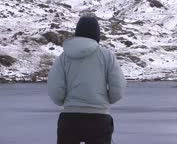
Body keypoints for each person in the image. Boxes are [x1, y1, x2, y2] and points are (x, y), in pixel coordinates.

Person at [47, 16, 127, 144]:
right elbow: (118, 88)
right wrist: (106, 100)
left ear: (77, 33)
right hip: (99, 119)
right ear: (97, 34)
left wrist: (64, 102)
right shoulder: (107, 56)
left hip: (69, 119)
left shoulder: (63, 57)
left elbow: (55, 89)